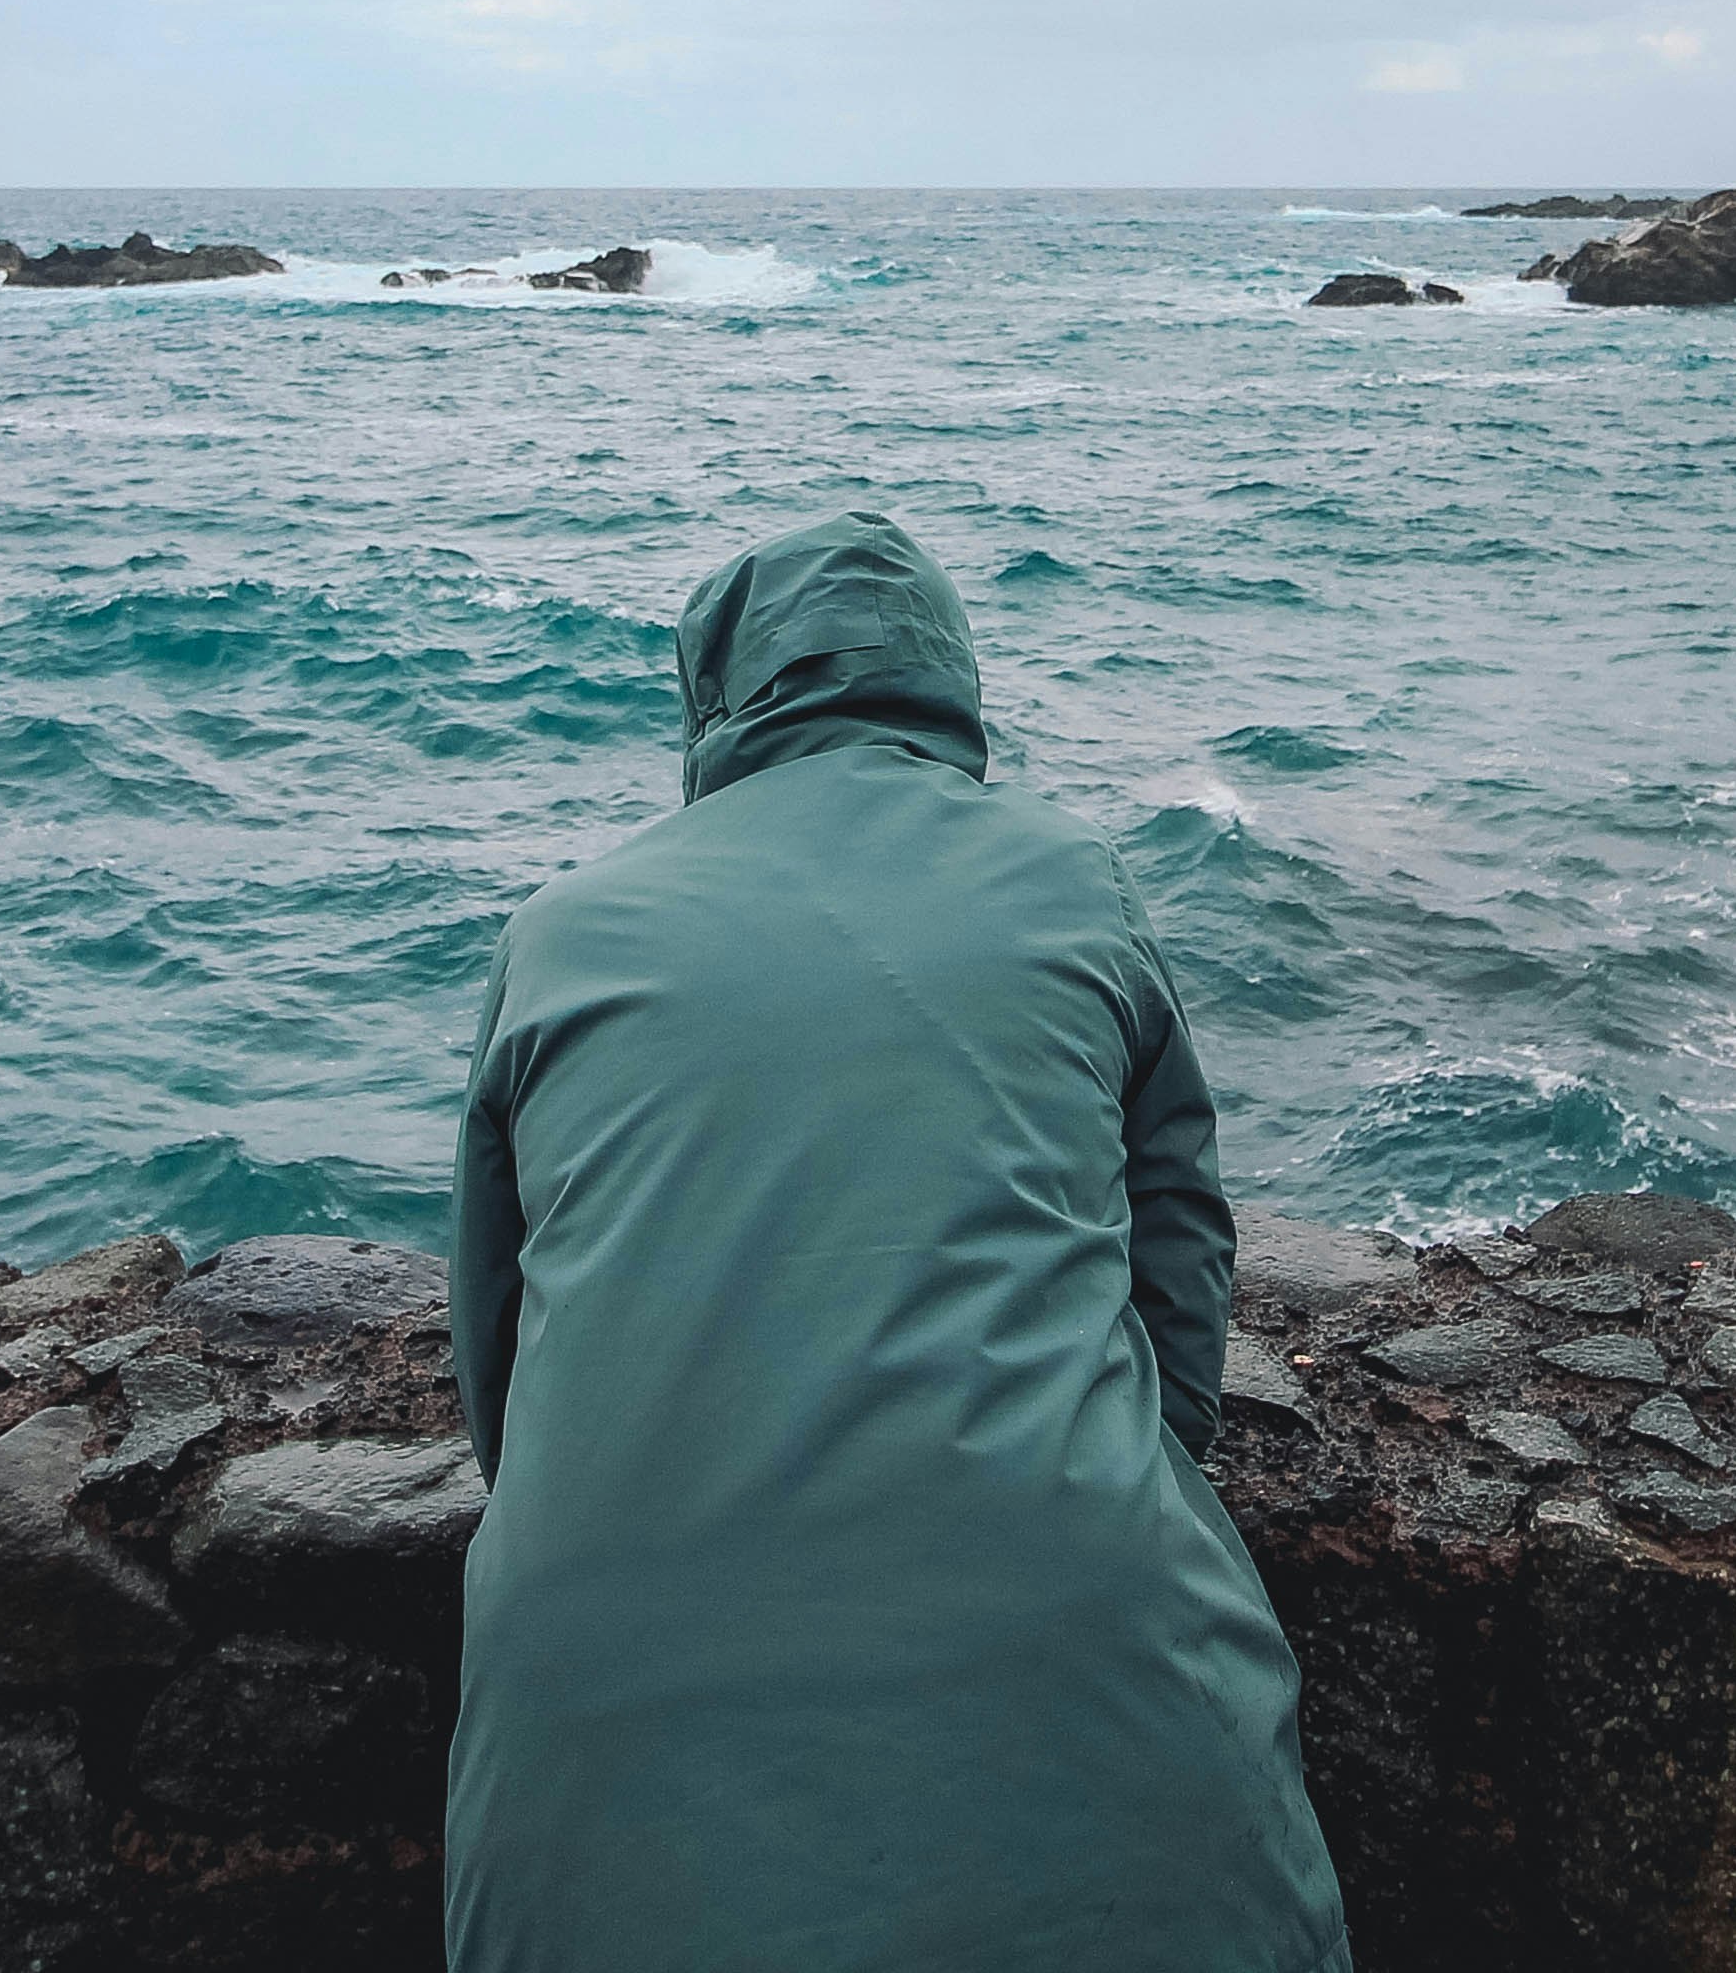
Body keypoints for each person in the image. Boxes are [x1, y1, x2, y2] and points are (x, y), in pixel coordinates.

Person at [444, 512, 1351, 1973]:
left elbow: (496, 1335)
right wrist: (1143, 1462)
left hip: (595, 1701)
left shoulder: (560, 929)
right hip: (1079, 1654)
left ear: (716, 692)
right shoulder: (1077, 879)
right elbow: (1177, 1237)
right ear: (947, 680)